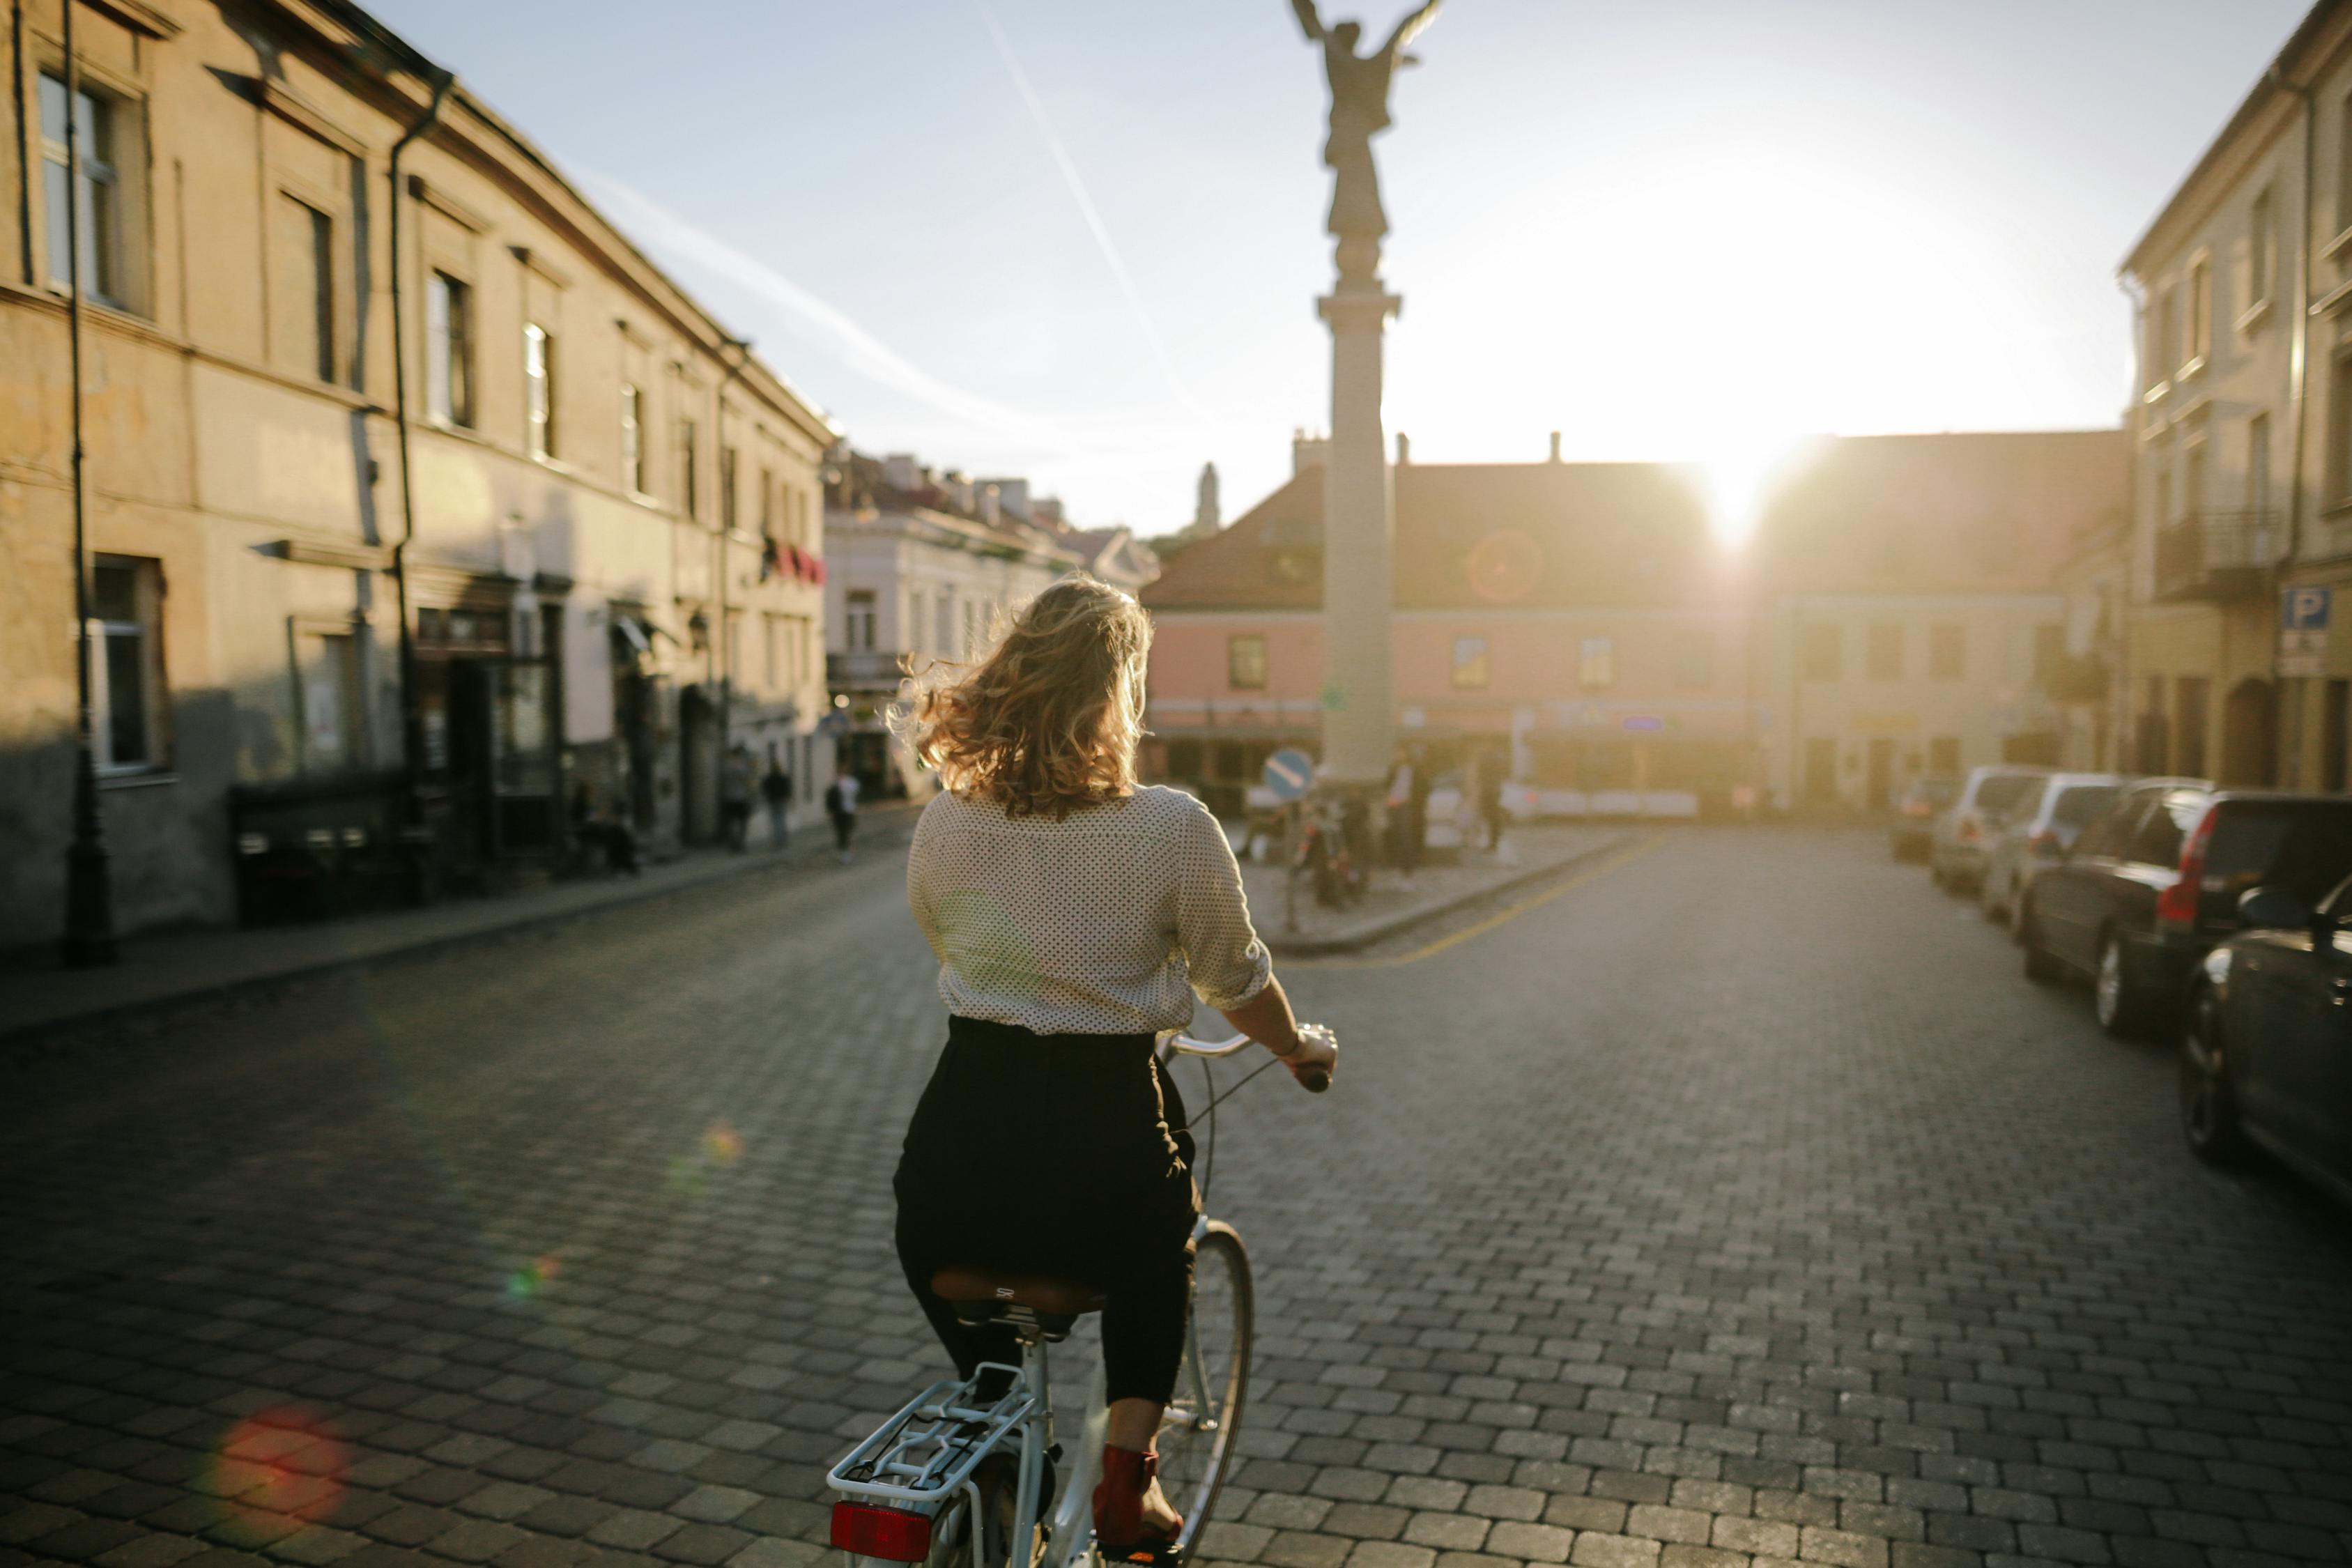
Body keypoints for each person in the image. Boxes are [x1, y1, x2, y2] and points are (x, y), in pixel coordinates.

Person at [889, 574, 1338, 1560]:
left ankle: (998, 1420)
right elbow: (1233, 978)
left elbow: (947, 940)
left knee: (927, 1239)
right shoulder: (1171, 826)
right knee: (1157, 1250)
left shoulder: (948, 819)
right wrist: (1294, 1047)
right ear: (1120, 688)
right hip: (1103, 1132)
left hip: (958, 1145)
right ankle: (1130, 1481)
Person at [720, 744, 755, 852]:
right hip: (741, 798)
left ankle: (733, 845)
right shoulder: (741, 766)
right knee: (742, 823)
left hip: (729, 797)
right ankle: (740, 844)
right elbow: (747, 781)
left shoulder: (726, 766)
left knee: (731, 822)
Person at [824, 766, 861, 863]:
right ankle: (845, 850)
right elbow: (856, 795)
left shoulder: (835, 783)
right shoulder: (852, 783)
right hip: (848, 810)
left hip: (839, 811)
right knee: (846, 831)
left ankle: (844, 850)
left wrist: (831, 811)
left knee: (841, 832)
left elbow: (829, 798)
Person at [761, 744, 794, 852]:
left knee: (775, 821)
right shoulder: (782, 778)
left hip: (773, 800)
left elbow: (765, 788)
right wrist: (786, 796)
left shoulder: (769, 778)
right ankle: (782, 839)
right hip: (781, 800)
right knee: (781, 820)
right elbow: (787, 788)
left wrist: (769, 796)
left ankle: (778, 839)